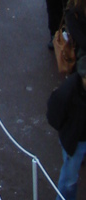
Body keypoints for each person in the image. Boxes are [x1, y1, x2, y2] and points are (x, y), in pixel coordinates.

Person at [47, 62, 86, 200]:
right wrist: (68, 133)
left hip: (77, 138)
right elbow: (54, 115)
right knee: (69, 179)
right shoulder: (67, 91)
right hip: (75, 142)